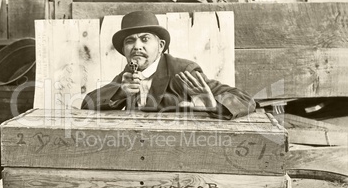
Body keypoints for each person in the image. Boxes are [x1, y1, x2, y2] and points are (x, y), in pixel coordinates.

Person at [81, 11, 255, 119]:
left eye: (145, 39)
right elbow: (87, 103)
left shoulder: (183, 71)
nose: (137, 46)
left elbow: (245, 99)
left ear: (161, 46)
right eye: (130, 41)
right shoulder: (128, 75)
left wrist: (214, 106)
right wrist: (120, 91)